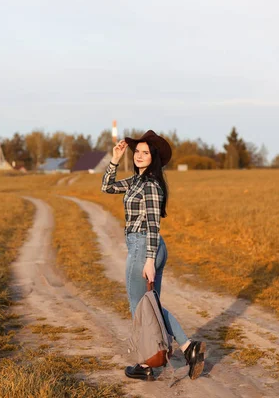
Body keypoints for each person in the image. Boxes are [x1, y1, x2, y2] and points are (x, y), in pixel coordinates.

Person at [101, 130, 206, 381]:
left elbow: (153, 224)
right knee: (152, 306)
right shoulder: (136, 181)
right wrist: (115, 159)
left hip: (144, 247)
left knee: (139, 308)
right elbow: (106, 187)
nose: (139, 156)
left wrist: (148, 259)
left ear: (154, 157)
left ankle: (147, 364)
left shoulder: (149, 184)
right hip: (150, 247)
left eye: (145, 153)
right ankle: (186, 349)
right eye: (137, 151)